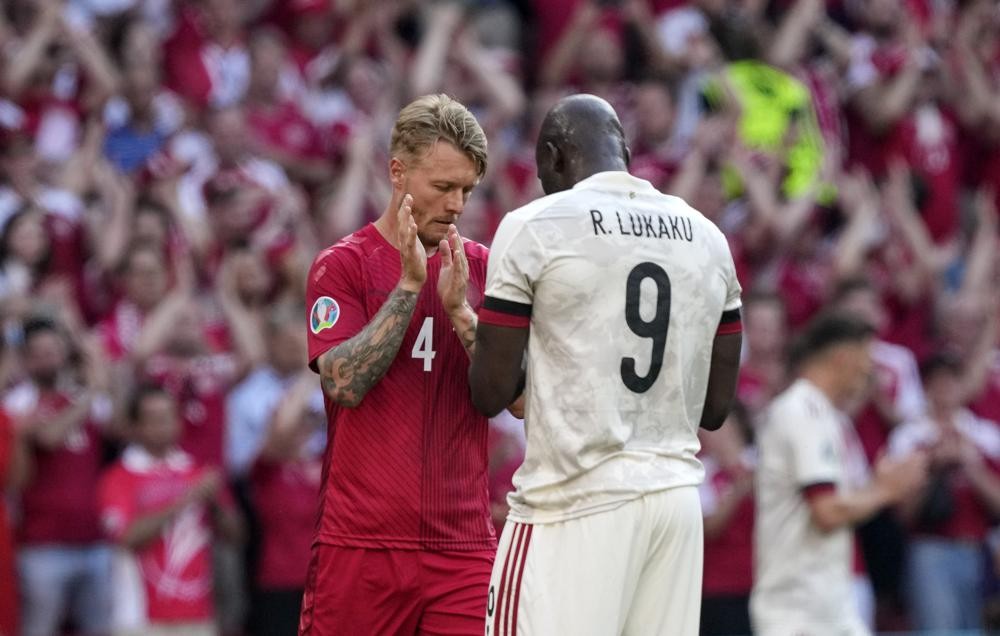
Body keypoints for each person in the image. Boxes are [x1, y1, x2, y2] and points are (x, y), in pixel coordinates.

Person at [469, 93, 744, 635]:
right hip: (675, 504)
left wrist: (466, 323)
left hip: (574, 501)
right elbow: (715, 409)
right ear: (625, 149)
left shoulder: (537, 224)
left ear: (553, 155)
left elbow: (490, 393)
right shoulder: (707, 236)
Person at [301, 94, 510, 635]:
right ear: (398, 172)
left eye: (466, 190)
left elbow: (522, 399)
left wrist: (462, 312)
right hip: (360, 545)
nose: (457, 204)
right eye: (443, 187)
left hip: (462, 548)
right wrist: (409, 287)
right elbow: (343, 382)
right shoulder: (342, 265)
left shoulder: (487, 272)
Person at [751, 313, 928, 636]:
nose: (869, 370)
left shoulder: (826, 416)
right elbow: (827, 511)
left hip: (823, 604)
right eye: (866, 358)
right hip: (800, 610)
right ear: (842, 357)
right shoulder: (803, 411)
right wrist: (886, 490)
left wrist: (878, 487)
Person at [98, 384, 243, 636]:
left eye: (169, 417)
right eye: (153, 419)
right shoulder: (118, 476)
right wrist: (187, 499)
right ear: (134, 427)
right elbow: (127, 537)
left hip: (197, 614)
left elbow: (236, 535)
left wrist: (215, 502)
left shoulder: (196, 470)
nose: (163, 425)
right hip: (139, 617)